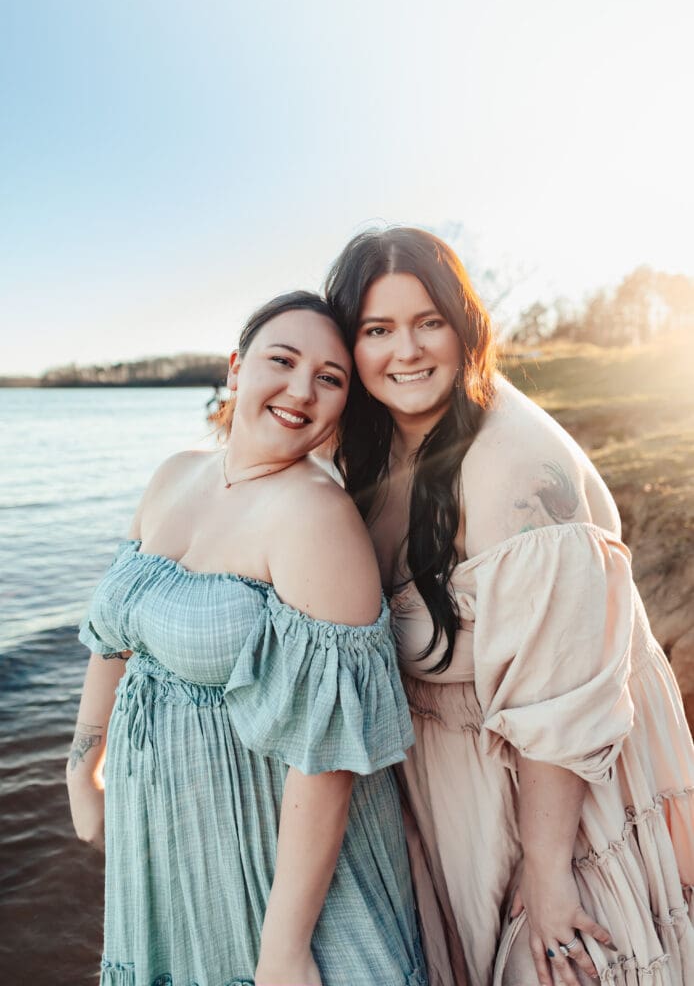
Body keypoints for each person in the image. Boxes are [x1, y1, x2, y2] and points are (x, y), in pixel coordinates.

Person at [325, 228, 694, 986]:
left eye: (430, 321)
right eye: (378, 329)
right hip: (470, 795)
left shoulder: (517, 469)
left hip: (564, 800)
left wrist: (550, 873)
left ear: (466, 328)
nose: (407, 350)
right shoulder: (386, 447)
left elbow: (559, 705)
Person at [66, 291, 427, 986]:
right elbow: (112, 635)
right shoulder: (174, 475)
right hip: (171, 840)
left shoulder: (315, 518)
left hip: (268, 859)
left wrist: (284, 948)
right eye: (282, 361)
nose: (301, 390)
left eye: (329, 378)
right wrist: (82, 763)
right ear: (236, 368)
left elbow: (326, 758)